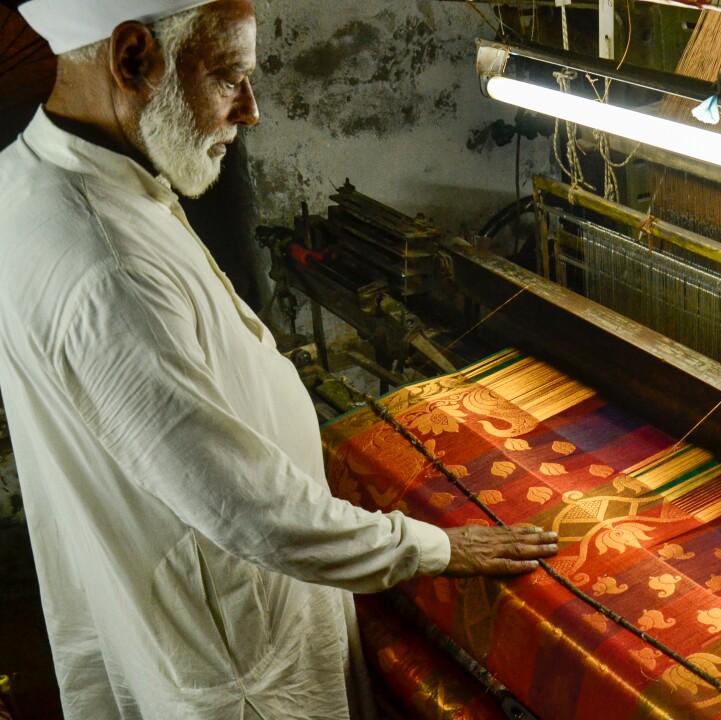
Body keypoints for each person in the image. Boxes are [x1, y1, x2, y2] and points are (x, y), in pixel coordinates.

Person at [0, 1, 559, 717]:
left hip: (197, 605)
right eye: (230, 76)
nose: (252, 110)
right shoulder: (105, 265)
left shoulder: (45, 176)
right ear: (133, 58)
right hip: (237, 658)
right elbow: (249, 511)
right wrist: (439, 549)